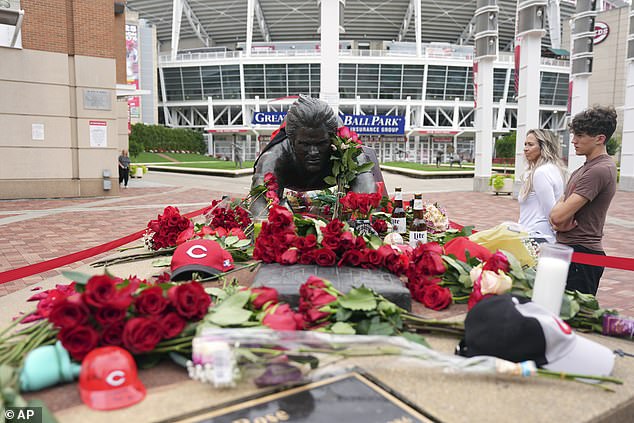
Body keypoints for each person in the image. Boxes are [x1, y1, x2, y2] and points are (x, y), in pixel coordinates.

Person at [250, 95, 384, 218]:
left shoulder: (349, 151)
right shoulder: (274, 157)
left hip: (340, 164)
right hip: (294, 174)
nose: (313, 152)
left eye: (321, 143)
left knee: (364, 160)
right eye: (305, 144)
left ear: (332, 139)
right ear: (291, 141)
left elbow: (369, 206)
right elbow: (260, 214)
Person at [549, 106, 618, 295]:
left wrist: (558, 218)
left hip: (583, 254)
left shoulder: (599, 170)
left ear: (600, 138)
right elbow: (556, 216)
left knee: (576, 320)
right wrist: (558, 218)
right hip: (569, 249)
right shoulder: (583, 169)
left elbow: (558, 215)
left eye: (580, 135)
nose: (574, 140)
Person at [517, 129, 566, 243]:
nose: (525, 148)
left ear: (543, 147)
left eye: (530, 144)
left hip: (536, 236)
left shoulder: (541, 172)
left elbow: (551, 212)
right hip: (538, 235)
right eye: (525, 144)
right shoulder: (553, 169)